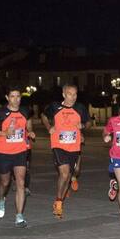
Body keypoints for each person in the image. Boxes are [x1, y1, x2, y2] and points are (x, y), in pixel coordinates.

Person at [0, 87, 34, 228]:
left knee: (21, 183)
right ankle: (1, 199)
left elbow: (28, 125)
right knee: (5, 183)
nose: (16, 99)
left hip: (20, 152)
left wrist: (30, 132)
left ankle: (19, 216)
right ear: (7, 98)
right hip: (4, 153)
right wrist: (4, 133)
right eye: (12, 96)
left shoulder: (24, 111)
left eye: (18, 96)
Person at [41, 84, 90, 219]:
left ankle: (61, 197)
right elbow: (44, 116)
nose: (72, 97)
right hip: (58, 145)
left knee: (70, 174)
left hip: (74, 146)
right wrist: (49, 127)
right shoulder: (55, 107)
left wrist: (83, 126)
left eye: (75, 94)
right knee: (64, 173)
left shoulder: (80, 108)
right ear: (64, 94)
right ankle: (58, 202)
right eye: (69, 94)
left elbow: (88, 122)